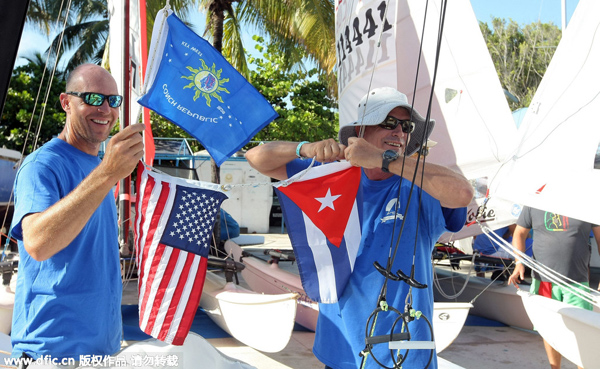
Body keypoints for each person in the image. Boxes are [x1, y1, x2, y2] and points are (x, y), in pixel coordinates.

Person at [245, 87, 473, 369]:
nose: (399, 132)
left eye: (406, 126)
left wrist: (383, 160)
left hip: (404, 351)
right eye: (388, 122)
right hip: (340, 344)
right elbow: (256, 157)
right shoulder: (330, 176)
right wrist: (304, 148)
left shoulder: (420, 181)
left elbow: (463, 193)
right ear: (360, 131)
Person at [9, 64, 145, 364]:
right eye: (93, 99)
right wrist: (108, 174)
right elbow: (37, 244)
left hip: (102, 349)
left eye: (113, 100)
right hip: (51, 351)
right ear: (66, 102)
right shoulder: (42, 165)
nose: (106, 109)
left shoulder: (97, 167)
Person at [508, 205, 600, 369]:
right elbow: (519, 233)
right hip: (543, 281)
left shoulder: (585, 202)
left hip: (577, 283)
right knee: (548, 329)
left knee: (582, 332)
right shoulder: (534, 203)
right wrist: (519, 262)